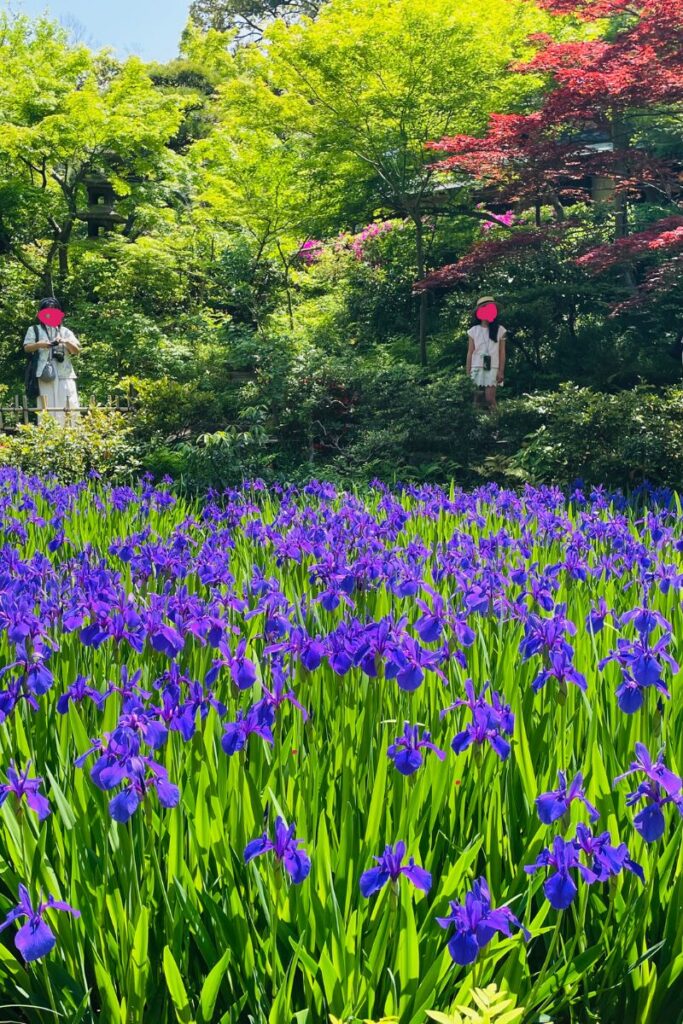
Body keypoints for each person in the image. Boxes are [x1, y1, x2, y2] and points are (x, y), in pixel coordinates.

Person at [23, 298, 81, 425]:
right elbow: (27, 347)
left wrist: (65, 341)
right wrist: (40, 344)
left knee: (69, 403)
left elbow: (76, 350)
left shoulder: (65, 331)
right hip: (45, 373)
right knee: (46, 405)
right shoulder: (34, 329)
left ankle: (72, 433)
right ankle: (48, 433)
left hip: (64, 373)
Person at [465, 294, 506, 411]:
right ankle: (476, 425)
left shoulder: (500, 330)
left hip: (493, 367)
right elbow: (470, 353)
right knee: (476, 400)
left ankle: (497, 423)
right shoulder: (473, 331)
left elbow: (502, 352)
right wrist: (468, 373)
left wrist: (501, 371)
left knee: (489, 399)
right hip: (476, 367)